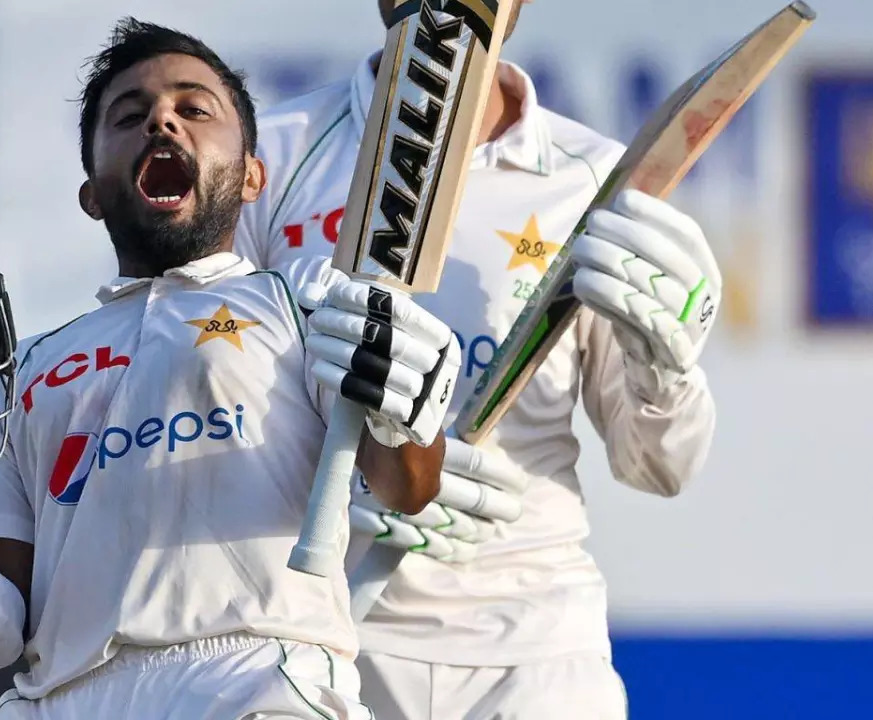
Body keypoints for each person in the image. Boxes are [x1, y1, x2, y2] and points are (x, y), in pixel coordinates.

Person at [0, 18, 469, 720]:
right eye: (130, 116)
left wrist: (409, 415)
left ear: (254, 175)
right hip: (65, 700)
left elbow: (405, 487)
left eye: (194, 108)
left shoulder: (307, 309)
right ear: (93, 195)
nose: (162, 121)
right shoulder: (22, 371)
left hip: (257, 684)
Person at [231, 1, 721, 717]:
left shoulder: (589, 175)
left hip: (535, 642)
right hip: (325, 635)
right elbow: (204, 398)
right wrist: (369, 480)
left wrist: (667, 370)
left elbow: (660, 465)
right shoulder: (270, 158)